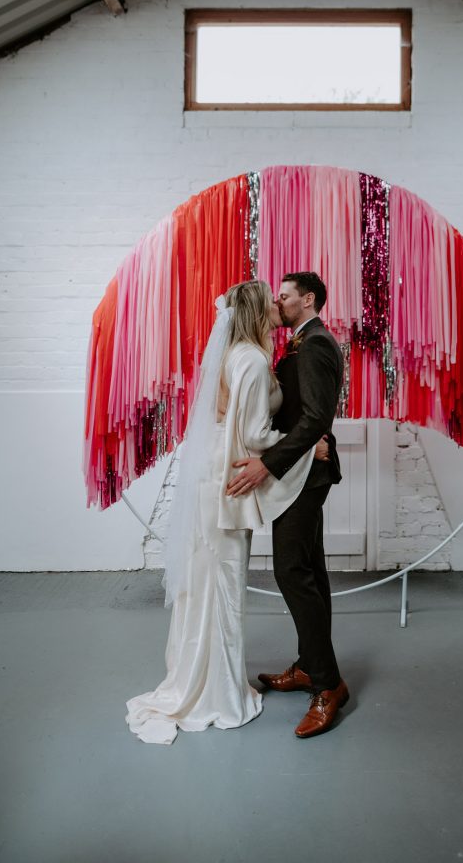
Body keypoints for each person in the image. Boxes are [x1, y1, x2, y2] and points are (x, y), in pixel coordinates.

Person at [125, 280, 330, 745]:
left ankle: (200, 676)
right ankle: (216, 692)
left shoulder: (233, 353)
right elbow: (256, 436)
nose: (279, 304)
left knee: (206, 580)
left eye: (285, 296)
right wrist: (306, 448)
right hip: (231, 479)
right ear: (259, 310)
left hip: (212, 473)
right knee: (223, 581)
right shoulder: (255, 362)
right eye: (273, 300)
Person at [226, 271, 348, 739]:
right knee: (310, 572)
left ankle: (327, 685)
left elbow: (316, 415)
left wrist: (268, 464)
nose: (277, 303)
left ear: (309, 299)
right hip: (303, 467)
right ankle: (308, 665)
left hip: (305, 474)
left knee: (291, 572)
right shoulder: (300, 341)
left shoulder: (315, 343)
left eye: (285, 296)